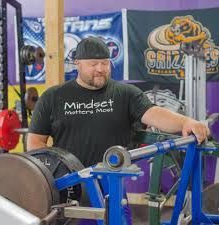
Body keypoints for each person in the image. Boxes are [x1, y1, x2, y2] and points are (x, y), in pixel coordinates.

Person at [27, 36, 209, 225]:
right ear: (77, 64)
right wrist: (50, 182)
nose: (100, 69)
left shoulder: (125, 94)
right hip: (69, 189)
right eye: (93, 63)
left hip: (111, 186)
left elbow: (153, 113)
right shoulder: (53, 97)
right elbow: (35, 145)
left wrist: (185, 122)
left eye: (105, 63)